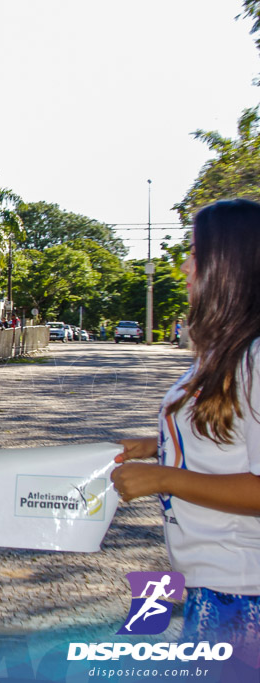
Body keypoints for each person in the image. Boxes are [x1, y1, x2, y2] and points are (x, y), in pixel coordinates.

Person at [110, 198, 260, 664]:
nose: (183, 266)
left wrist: (165, 478)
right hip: (208, 587)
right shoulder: (225, 354)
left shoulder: (255, 359)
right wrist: (162, 447)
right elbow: (232, 440)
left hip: (242, 596)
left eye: (194, 253)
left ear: (228, 265)